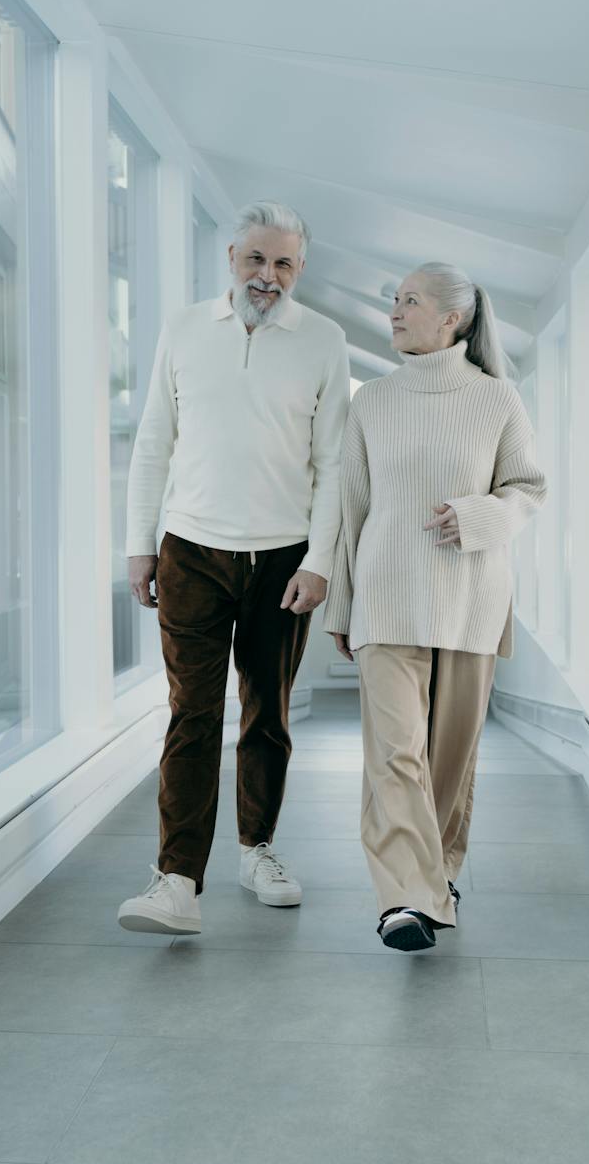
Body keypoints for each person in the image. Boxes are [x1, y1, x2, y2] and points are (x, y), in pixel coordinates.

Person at [116, 200, 350, 935]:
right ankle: (177, 878)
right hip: (191, 549)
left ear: (300, 269)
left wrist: (319, 562)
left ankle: (258, 850)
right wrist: (139, 542)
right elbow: (153, 438)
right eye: (256, 259)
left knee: (267, 715)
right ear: (231, 258)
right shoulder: (185, 329)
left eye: (283, 263)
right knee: (191, 712)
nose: (268, 276)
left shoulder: (325, 340)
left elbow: (335, 463)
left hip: (283, 559)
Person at [325, 262, 547, 951]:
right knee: (395, 756)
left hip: (471, 601)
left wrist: (480, 516)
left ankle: (439, 875)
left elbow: (527, 488)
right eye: (393, 300)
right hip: (386, 599)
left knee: (448, 760)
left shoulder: (498, 398)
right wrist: (341, 608)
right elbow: (349, 509)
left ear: (454, 317)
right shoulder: (372, 402)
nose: (394, 311)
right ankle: (406, 900)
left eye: (409, 301)